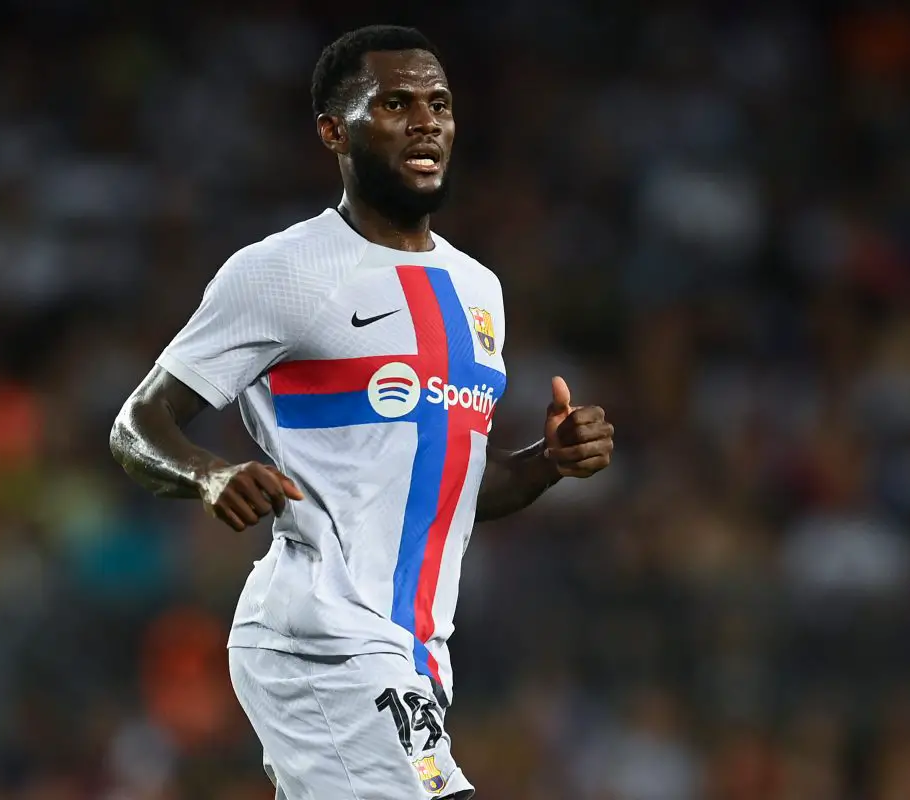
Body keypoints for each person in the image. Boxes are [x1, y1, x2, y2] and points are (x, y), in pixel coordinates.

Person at [109, 24, 614, 799]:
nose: (426, 121)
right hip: (322, 637)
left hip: (417, 653)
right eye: (397, 103)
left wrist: (548, 463)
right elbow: (137, 425)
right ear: (331, 131)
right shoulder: (282, 273)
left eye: (440, 103)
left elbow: (448, 493)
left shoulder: (480, 291)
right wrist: (210, 476)